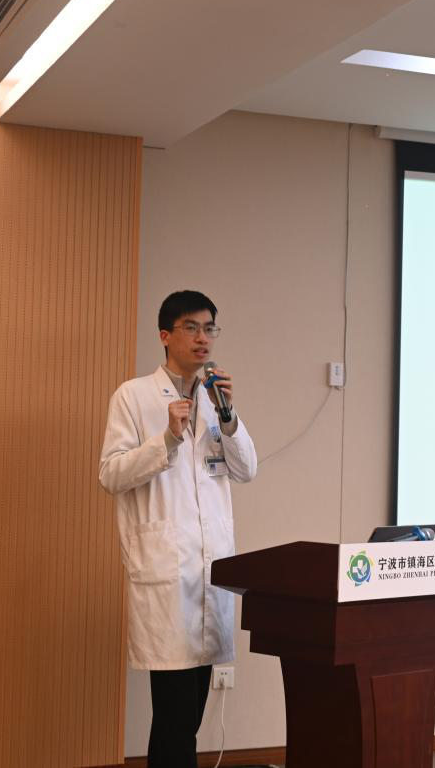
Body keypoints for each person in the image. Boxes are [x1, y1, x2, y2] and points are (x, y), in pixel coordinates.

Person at [99, 290, 257, 768]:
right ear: (165, 335)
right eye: (191, 327)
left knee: (190, 715)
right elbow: (111, 474)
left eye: (210, 328)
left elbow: (246, 469)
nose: (203, 337)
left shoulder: (214, 401)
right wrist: (166, 438)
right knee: (173, 716)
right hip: (166, 576)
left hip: (209, 576)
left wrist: (228, 416)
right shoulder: (133, 396)